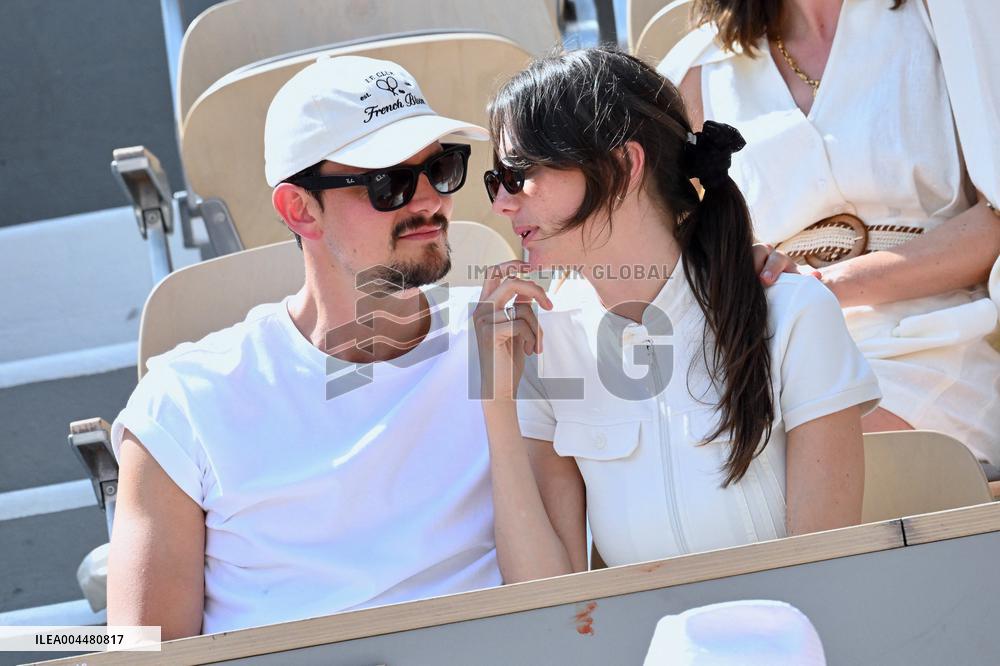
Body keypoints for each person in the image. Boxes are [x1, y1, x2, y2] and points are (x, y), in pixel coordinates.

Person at [107, 54, 798, 637]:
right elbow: (144, 652)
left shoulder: (524, 330)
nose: (431, 202)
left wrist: (740, 269)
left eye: (441, 170)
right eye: (388, 183)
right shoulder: (185, 400)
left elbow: (663, 295)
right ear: (298, 209)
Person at [474, 47, 881, 582]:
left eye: (519, 173)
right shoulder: (544, 345)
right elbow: (547, 598)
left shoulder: (794, 315)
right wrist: (496, 403)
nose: (501, 203)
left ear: (622, 165)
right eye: (494, 180)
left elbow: (824, 577)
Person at [660, 0, 1000, 467]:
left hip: (930, 339)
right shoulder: (701, 67)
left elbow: (996, 216)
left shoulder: (943, 17)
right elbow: (661, 244)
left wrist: (823, 287)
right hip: (769, 345)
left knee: (811, 449)